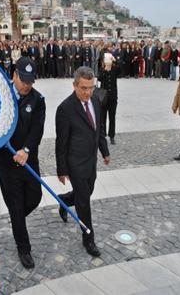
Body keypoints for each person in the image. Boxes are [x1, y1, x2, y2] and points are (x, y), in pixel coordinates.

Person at [0, 57, 45, 269]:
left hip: (28, 160)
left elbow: (37, 128)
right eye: (23, 80)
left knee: (35, 196)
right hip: (7, 162)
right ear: (14, 75)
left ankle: (17, 220)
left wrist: (26, 150)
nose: (26, 85)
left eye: (30, 81)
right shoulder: (0, 96)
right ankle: (24, 247)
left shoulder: (38, 99)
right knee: (15, 206)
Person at [55, 66, 110, 257]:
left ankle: (63, 200)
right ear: (74, 85)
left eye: (91, 87)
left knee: (87, 192)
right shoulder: (65, 109)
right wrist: (62, 169)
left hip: (91, 160)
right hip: (75, 163)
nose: (88, 92)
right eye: (83, 88)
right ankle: (89, 238)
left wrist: (104, 151)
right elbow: (60, 142)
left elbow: (99, 128)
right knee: (84, 202)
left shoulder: (95, 100)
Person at [97, 57, 120, 145]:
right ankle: (103, 135)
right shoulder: (102, 69)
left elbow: (120, 70)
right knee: (103, 117)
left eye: (109, 60)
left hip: (113, 98)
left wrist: (115, 60)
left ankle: (112, 136)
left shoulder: (115, 69)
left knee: (112, 117)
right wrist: (105, 71)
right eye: (107, 60)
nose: (108, 62)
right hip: (103, 98)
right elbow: (99, 79)